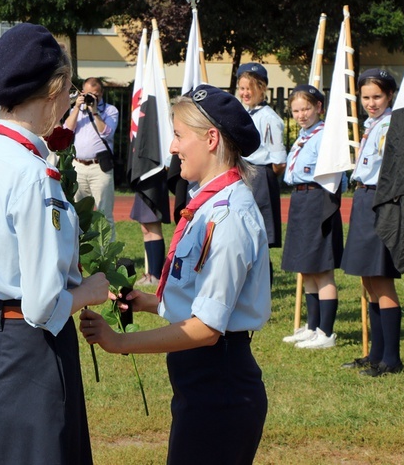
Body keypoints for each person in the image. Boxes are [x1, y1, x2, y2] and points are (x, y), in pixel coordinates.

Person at [0, 23, 108, 465]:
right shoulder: (34, 174)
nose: (68, 103)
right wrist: (91, 290)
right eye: (67, 91)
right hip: (32, 354)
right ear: (55, 89)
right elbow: (43, 307)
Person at [80, 84, 269, 465]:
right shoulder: (210, 204)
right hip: (204, 382)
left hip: (220, 385)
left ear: (211, 138)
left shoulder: (227, 217)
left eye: (179, 135)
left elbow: (206, 329)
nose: (172, 148)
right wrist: (148, 302)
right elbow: (201, 300)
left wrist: (119, 343)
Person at [340, 69, 403, 376]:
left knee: (381, 278)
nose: (371, 102)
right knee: (367, 279)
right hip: (364, 199)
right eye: (366, 97)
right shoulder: (372, 124)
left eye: (377, 96)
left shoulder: (391, 125)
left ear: (390, 95)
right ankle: (376, 353)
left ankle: (391, 358)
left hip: (381, 201)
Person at [281, 85, 343, 349]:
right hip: (300, 200)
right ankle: (312, 325)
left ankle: (326, 332)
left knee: (321, 268)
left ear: (319, 107)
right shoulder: (303, 136)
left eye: (306, 108)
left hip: (318, 199)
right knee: (306, 268)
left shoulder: (325, 135)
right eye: (295, 110)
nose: (301, 114)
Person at [237, 63, 286, 264]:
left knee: (259, 234)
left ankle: (263, 282)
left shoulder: (269, 119)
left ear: (262, 88)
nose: (245, 93)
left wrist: (263, 176)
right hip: (245, 174)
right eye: (242, 88)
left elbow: (278, 161)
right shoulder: (246, 114)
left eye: (250, 88)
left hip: (260, 176)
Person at [64, 77, 119, 236]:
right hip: (78, 166)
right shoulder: (77, 111)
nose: (91, 97)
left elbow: (107, 133)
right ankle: (79, 256)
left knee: (104, 214)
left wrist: (94, 111)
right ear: (82, 92)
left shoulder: (110, 110)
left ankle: (107, 255)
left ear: (101, 93)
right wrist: (76, 108)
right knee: (77, 213)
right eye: (87, 94)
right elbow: (67, 129)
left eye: (95, 94)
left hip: (99, 168)